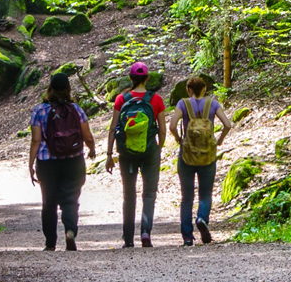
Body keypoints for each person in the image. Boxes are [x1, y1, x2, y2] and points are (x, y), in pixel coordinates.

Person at [29, 72, 96, 251]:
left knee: (48, 202)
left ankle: (50, 243)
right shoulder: (76, 109)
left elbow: (36, 140)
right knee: (71, 199)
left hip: (47, 162)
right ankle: (70, 231)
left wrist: (31, 164)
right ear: (68, 89)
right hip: (73, 160)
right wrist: (91, 149)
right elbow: (87, 135)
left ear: (49, 88)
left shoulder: (39, 110)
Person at [106, 62, 167, 248]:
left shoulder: (121, 99)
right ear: (147, 78)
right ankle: (146, 232)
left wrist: (109, 154)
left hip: (126, 152)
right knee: (149, 193)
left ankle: (128, 238)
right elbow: (163, 130)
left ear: (130, 78)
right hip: (149, 150)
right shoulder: (156, 100)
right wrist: (159, 148)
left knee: (129, 194)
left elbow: (113, 128)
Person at [169, 75, 233, 245]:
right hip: (208, 154)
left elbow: (172, 125)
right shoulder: (212, 103)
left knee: (187, 197)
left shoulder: (183, 104)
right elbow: (227, 124)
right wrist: (219, 140)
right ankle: (202, 218)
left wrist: (178, 139)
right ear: (205, 89)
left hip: (187, 154)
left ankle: (188, 237)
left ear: (188, 90)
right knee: (205, 193)